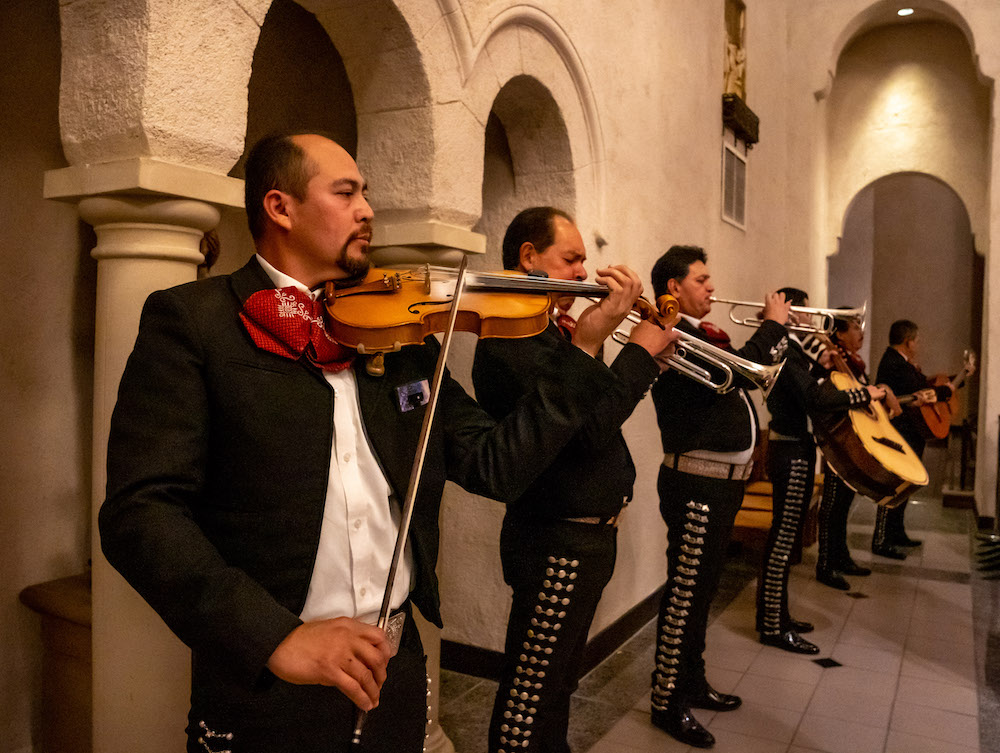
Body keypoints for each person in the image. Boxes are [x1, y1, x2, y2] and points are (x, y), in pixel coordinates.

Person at [98, 133, 651, 753]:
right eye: (347, 192)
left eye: (366, 193)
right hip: (264, 678)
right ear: (280, 208)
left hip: (394, 662)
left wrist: (581, 352)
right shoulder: (195, 321)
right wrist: (274, 637)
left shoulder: (405, 337)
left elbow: (495, 466)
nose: (367, 209)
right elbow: (140, 513)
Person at [471, 207, 679, 753]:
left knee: (557, 686)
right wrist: (635, 356)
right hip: (553, 540)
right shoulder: (509, 341)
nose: (585, 270)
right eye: (572, 259)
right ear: (528, 258)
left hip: (584, 538)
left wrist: (639, 361)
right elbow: (588, 432)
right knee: (529, 698)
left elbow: (594, 414)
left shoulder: (552, 335)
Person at [646, 246, 791, 749]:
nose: (712, 288)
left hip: (721, 485)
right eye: (702, 280)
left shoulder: (708, 334)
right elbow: (746, 370)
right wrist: (773, 325)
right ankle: (666, 702)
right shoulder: (670, 333)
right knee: (685, 595)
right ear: (674, 288)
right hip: (696, 485)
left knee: (702, 592)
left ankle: (691, 681)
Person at [757, 290, 885, 653]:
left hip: (794, 447)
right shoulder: (785, 344)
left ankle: (777, 616)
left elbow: (803, 390)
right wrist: (864, 395)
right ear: (791, 312)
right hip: (790, 450)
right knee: (783, 542)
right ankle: (771, 624)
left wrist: (821, 368)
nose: (814, 319)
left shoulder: (793, 349)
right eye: (806, 311)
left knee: (787, 540)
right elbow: (813, 399)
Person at [814, 314, 882, 589]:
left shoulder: (854, 363)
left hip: (853, 442)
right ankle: (825, 564)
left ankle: (841, 556)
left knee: (844, 504)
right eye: (855, 327)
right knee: (832, 505)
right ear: (839, 335)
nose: (861, 332)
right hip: (837, 441)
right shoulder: (831, 361)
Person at [871, 319, 946, 558]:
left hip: (909, 432)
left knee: (904, 486)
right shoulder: (895, 363)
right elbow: (922, 390)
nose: (919, 344)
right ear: (908, 342)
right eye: (917, 340)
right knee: (893, 485)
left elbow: (919, 385)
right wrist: (948, 389)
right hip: (899, 433)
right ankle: (881, 539)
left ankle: (896, 532)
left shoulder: (902, 362)